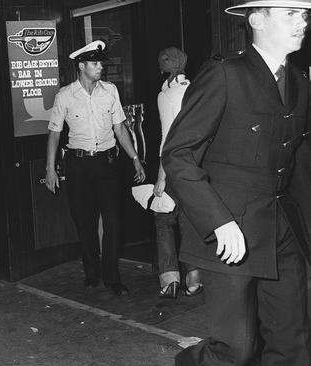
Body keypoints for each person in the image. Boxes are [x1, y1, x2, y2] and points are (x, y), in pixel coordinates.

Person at [162, 1, 311, 365]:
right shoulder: (225, 74)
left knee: (294, 343)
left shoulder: (301, 84)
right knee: (237, 350)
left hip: (281, 229)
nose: (303, 21)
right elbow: (178, 154)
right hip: (233, 229)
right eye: (290, 13)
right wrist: (219, 220)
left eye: (305, 14)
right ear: (257, 19)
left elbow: (299, 164)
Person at [44, 40, 146, 296]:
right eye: (95, 63)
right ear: (81, 66)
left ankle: (112, 277)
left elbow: (120, 128)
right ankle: (92, 272)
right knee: (84, 221)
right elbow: (54, 134)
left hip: (108, 162)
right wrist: (50, 169)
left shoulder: (110, 91)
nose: (100, 67)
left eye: (100, 63)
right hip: (78, 164)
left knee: (113, 221)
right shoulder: (65, 95)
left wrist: (134, 157)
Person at [153, 47, 203, 299]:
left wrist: (161, 177)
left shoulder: (166, 95)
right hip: (199, 165)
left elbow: (167, 139)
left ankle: (170, 278)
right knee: (189, 220)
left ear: (164, 67)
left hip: (175, 165)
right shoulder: (196, 89)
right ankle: (194, 277)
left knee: (163, 220)